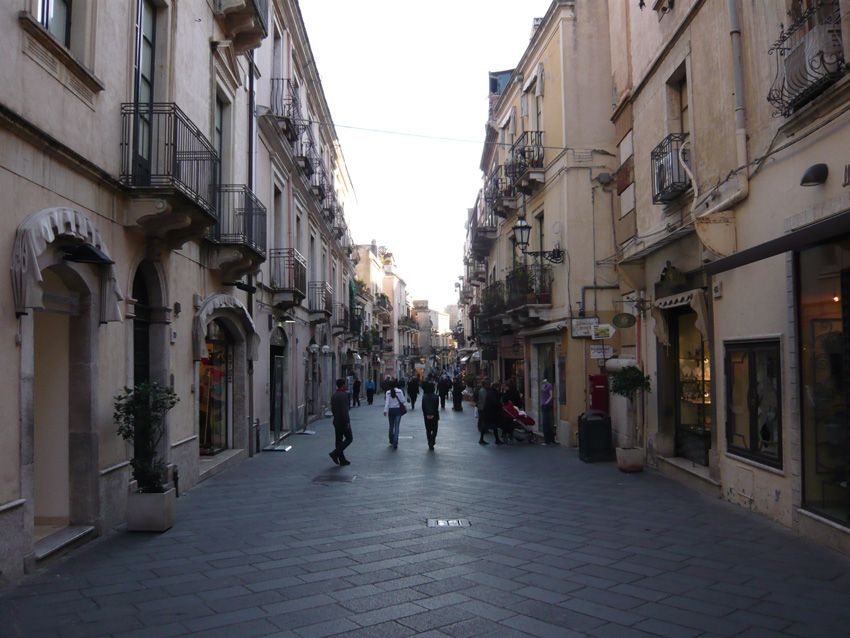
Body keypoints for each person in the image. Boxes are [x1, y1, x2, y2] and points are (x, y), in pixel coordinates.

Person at [330, 378, 352, 466]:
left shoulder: (334, 395)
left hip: (336, 421)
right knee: (349, 438)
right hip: (343, 421)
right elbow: (345, 410)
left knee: (338, 440)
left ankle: (342, 459)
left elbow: (332, 409)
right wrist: (347, 422)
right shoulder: (344, 395)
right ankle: (335, 453)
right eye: (345, 384)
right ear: (342, 385)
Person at [384, 381, 407, 449]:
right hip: (398, 411)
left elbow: (387, 402)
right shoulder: (399, 391)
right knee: (397, 427)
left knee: (391, 426)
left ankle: (391, 440)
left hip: (391, 410)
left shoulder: (388, 392)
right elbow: (403, 400)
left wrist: (385, 410)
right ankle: (395, 441)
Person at [481, 379, 504, 445]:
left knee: (487, 425)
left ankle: (482, 439)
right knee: (494, 426)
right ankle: (496, 440)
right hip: (491, 412)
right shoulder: (492, 392)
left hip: (486, 411)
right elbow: (495, 402)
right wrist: (500, 406)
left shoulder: (488, 391)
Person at [421, 381, 439, 450]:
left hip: (427, 416)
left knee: (428, 430)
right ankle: (432, 439)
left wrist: (425, 414)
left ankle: (429, 441)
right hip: (434, 415)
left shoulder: (424, 397)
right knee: (435, 429)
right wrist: (434, 414)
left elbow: (423, 407)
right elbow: (436, 407)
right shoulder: (436, 397)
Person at [540, 377, 555, 445]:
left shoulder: (549, 385)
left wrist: (547, 402)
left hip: (547, 405)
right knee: (545, 423)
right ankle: (548, 439)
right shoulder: (542, 385)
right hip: (543, 405)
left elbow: (551, 395)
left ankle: (548, 440)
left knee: (547, 423)